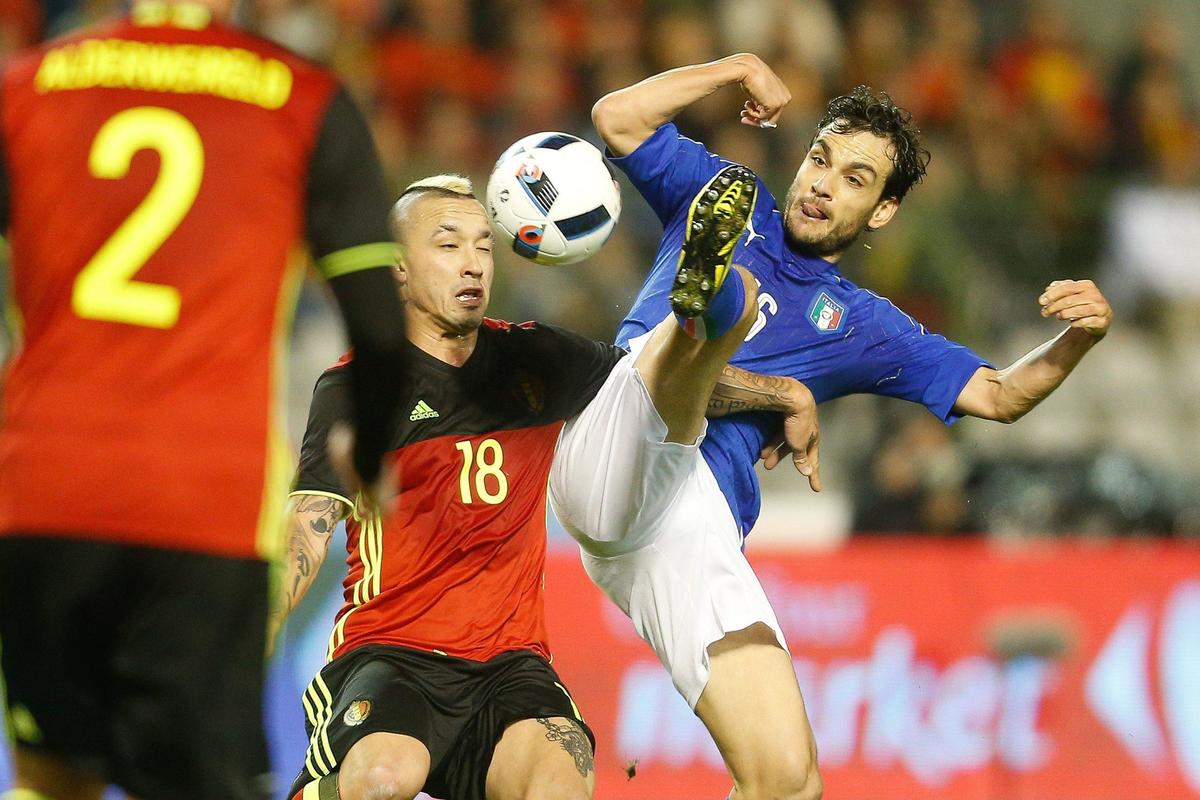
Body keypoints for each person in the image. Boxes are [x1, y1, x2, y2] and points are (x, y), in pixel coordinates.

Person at [550, 53, 1113, 800]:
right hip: (613, 439)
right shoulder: (729, 197)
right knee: (716, 308)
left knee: (790, 781)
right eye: (820, 159)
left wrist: (1080, 338)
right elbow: (617, 118)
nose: (822, 183)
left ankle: (710, 306)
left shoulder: (862, 324)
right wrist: (738, 67)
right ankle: (708, 301)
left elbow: (1001, 394)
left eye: (854, 178)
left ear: (881, 211)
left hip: (688, 527)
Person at [278, 171, 819, 800]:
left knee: (561, 782)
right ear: (398, 267)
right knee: (382, 779)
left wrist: (781, 394)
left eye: (483, 245)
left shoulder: (533, 359)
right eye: (449, 245)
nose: (473, 264)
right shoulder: (357, 387)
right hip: (391, 653)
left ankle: (707, 305)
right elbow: (307, 529)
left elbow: (650, 390)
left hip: (511, 668)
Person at [0, 1, 409, 798]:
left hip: (44, 489)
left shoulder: (27, 87)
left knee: (52, 778)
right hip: (204, 502)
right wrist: (369, 449)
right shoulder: (300, 99)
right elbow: (380, 329)